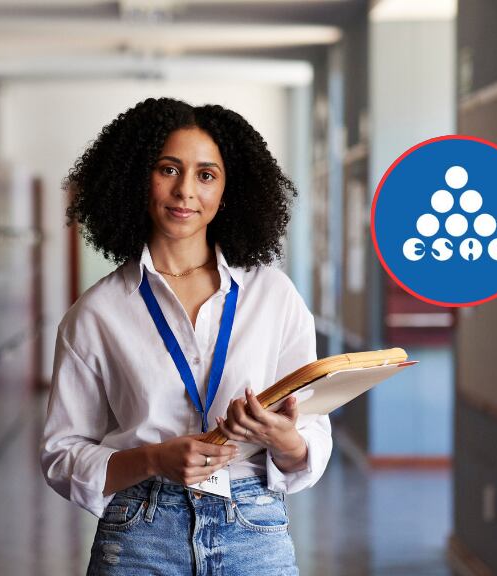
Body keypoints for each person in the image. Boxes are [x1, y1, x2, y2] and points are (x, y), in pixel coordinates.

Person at [40, 97, 332, 575]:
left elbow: (312, 431)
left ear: (228, 189)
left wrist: (285, 438)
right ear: (138, 177)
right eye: (168, 169)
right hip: (140, 534)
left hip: (253, 531)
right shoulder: (97, 313)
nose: (185, 192)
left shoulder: (273, 295)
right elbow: (62, 454)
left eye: (206, 175)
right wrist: (154, 458)